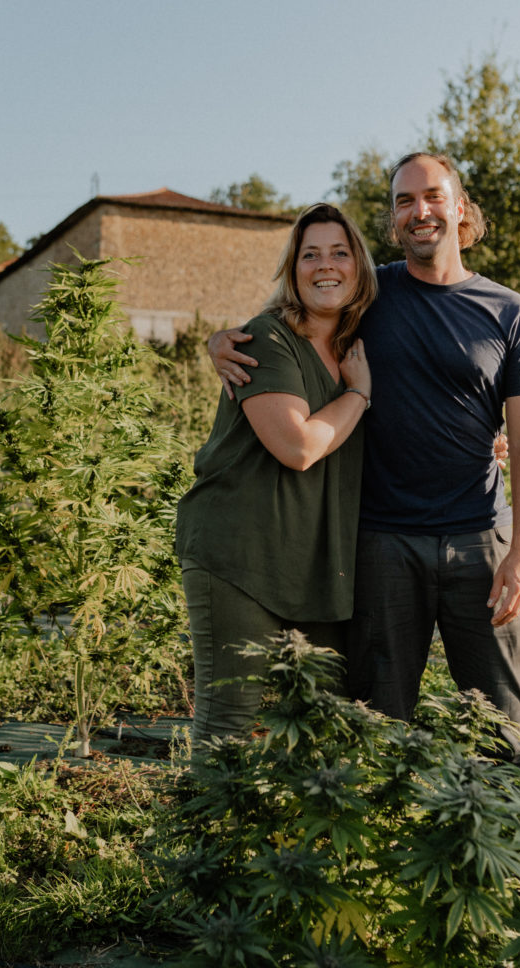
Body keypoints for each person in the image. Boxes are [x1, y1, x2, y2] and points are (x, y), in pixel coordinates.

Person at [210, 152, 520, 765]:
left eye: (431, 196)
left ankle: (519, 848)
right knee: (373, 722)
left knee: (504, 723)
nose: (419, 211)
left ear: (460, 207)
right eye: (403, 201)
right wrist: (220, 341)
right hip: (381, 542)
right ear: (394, 219)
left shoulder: (511, 312)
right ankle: (380, 850)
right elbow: (293, 318)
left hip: (482, 540)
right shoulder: (370, 295)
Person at [176, 203, 376, 763]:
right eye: (310, 254)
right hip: (239, 552)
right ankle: (206, 849)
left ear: (359, 267)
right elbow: (298, 446)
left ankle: (295, 845)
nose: (325, 265)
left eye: (339, 252)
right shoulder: (269, 338)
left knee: (324, 718)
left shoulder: (359, 344)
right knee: (228, 722)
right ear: (292, 270)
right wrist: (357, 395)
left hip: (314, 560)